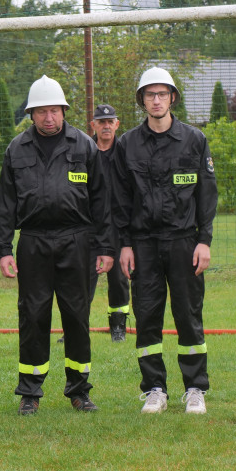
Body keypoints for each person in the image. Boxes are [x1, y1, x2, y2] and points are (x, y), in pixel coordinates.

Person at [0, 75, 115, 415]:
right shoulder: (17, 149)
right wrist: (3, 249)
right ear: (31, 114)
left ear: (64, 111)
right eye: (42, 111)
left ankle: (79, 390)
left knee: (77, 316)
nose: (49, 118)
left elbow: (101, 201)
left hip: (77, 241)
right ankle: (30, 392)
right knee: (33, 316)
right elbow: (5, 204)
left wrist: (105, 248)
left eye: (55, 111)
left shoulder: (84, 146)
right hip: (32, 242)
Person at [112, 68, 217, 415]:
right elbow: (120, 199)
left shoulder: (194, 140)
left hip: (184, 241)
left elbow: (206, 195)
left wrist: (205, 241)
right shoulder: (126, 143)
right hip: (142, 244)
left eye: (162, 94)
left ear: (173, 98)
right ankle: (154, 388)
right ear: (141, 100)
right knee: (147, 315)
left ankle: (195, 389)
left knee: (189, 314)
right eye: (149, 94)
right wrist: (125, 245)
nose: (156, 100)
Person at [88, 104, 132, 342]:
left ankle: (118, 327)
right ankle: (75, 326)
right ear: (93, 125)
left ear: (117, 124)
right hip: (89, 226)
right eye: (101, 122)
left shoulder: (125, 152)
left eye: (110, 122)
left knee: (118, 278)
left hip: (117, 225)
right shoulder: (83, 150)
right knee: (81, 279)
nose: (106, 126)